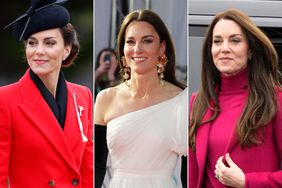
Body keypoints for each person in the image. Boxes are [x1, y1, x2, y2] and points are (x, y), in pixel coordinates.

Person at [0, 0, 93, 187]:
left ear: (66, 50)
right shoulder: (5, 99)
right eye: (32, 43)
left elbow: (87, 168)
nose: (38, 51)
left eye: (49, 43)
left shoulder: (83, 95)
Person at [189, 8, 282, 188]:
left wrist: (247, 182)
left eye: (235, 41)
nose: (224, 48)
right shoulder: (198, 101)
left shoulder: (275, 100)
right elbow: (194, 175)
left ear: (250, 51)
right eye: (217, 42)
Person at [94, 9, 187, 188]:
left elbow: (188, 173)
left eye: (147, 41)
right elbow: (97, 166)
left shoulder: (181, 101)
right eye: (130, 42)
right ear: (123, 49)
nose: (137, 49)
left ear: (162, 48)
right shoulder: (105, 98)